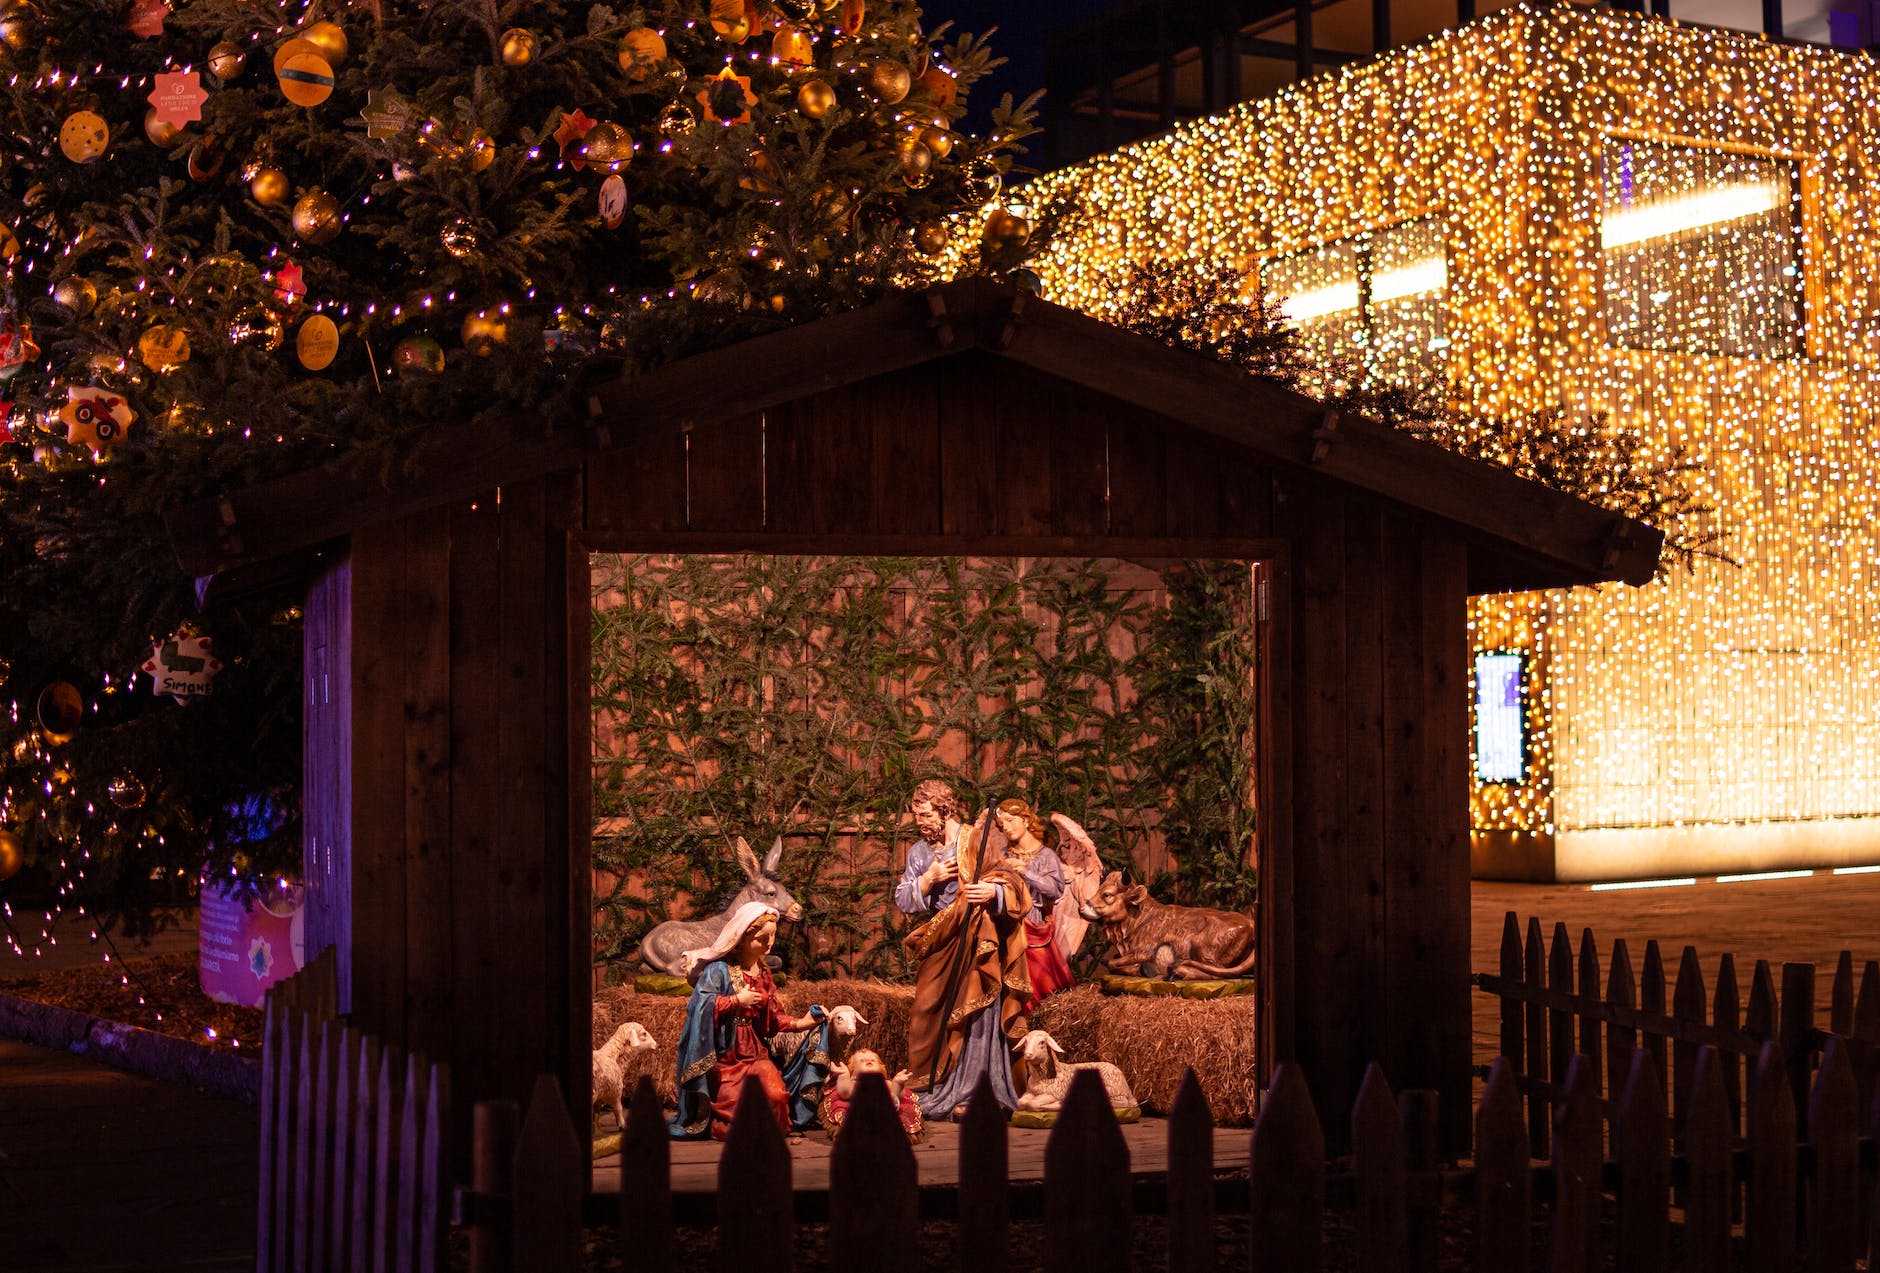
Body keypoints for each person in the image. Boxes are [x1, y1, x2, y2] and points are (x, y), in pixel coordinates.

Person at [894, 779, 1033, 1120]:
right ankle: (936, 1084)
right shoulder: (919, 853)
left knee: (977, 1012)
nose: (920, 822)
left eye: (925, 815)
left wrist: (991, 893)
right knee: (927, 1011)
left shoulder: (973, 840)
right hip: (941, 940)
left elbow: (1009, 881)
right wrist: (929, 878)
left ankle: (975, 1088)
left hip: (977, 938)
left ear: (944, 810)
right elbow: (903, 899)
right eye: (916, 816)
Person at [668, 902, 821, 1140]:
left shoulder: (763, 973)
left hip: (755, 1054)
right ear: (742, 938)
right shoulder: (718, 970)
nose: (769, 943)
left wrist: (804, 1022)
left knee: (777, 1096)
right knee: (737, 1106)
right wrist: (736, 1000)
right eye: (762, 938)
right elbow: (699, 1006)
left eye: (773, 936)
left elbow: (771, 1020)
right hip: (724, 1057)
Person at [993, 797, 1075, 1007]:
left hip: (1034, 927)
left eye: (1011, 820)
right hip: (1007, 927)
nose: (1007, 828)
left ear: (1026, 821)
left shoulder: (1046, 856)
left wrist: (1026, 872)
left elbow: (1055, 891)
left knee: (1037, 984)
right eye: (1002, 825)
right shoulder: (1002, 855)